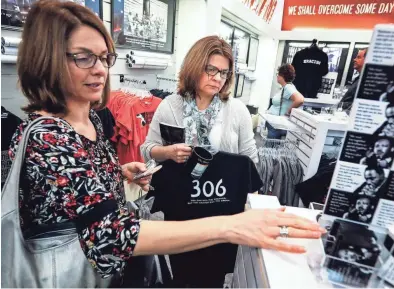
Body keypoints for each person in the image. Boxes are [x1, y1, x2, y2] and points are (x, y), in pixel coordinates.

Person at [8, 0, 325, 285]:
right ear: (47, 59)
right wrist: (232, 226)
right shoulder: (49, 135)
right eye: (84, 58)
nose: (101, 69)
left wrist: (118, 172)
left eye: (105, 57)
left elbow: (71, 187)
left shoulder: (89, 120)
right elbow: (110, 238)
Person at [140, 35, 259, 164]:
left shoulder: (237, 110)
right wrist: (168, 152)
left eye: (224, 72)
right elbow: (147, 149)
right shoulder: (170, 105)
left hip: (221, 184)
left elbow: (250, 159)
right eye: (211, 69)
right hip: (179, 183)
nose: (218, 78)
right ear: (194, 67)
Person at [266, 64, 304, 139]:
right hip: (274, 125)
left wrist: (288, 112)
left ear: (283, 75)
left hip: (277, 126)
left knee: (271, 149)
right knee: (271, 149)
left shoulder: (288, 87)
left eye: (278, 74)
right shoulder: (285, 88)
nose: (277, 76)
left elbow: (300, 100)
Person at [338, 48, 368, 113]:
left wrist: (342, 105)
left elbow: (360, 105)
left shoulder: (366, 81)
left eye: (358, 57)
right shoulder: (359, 78)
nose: (354, 59)